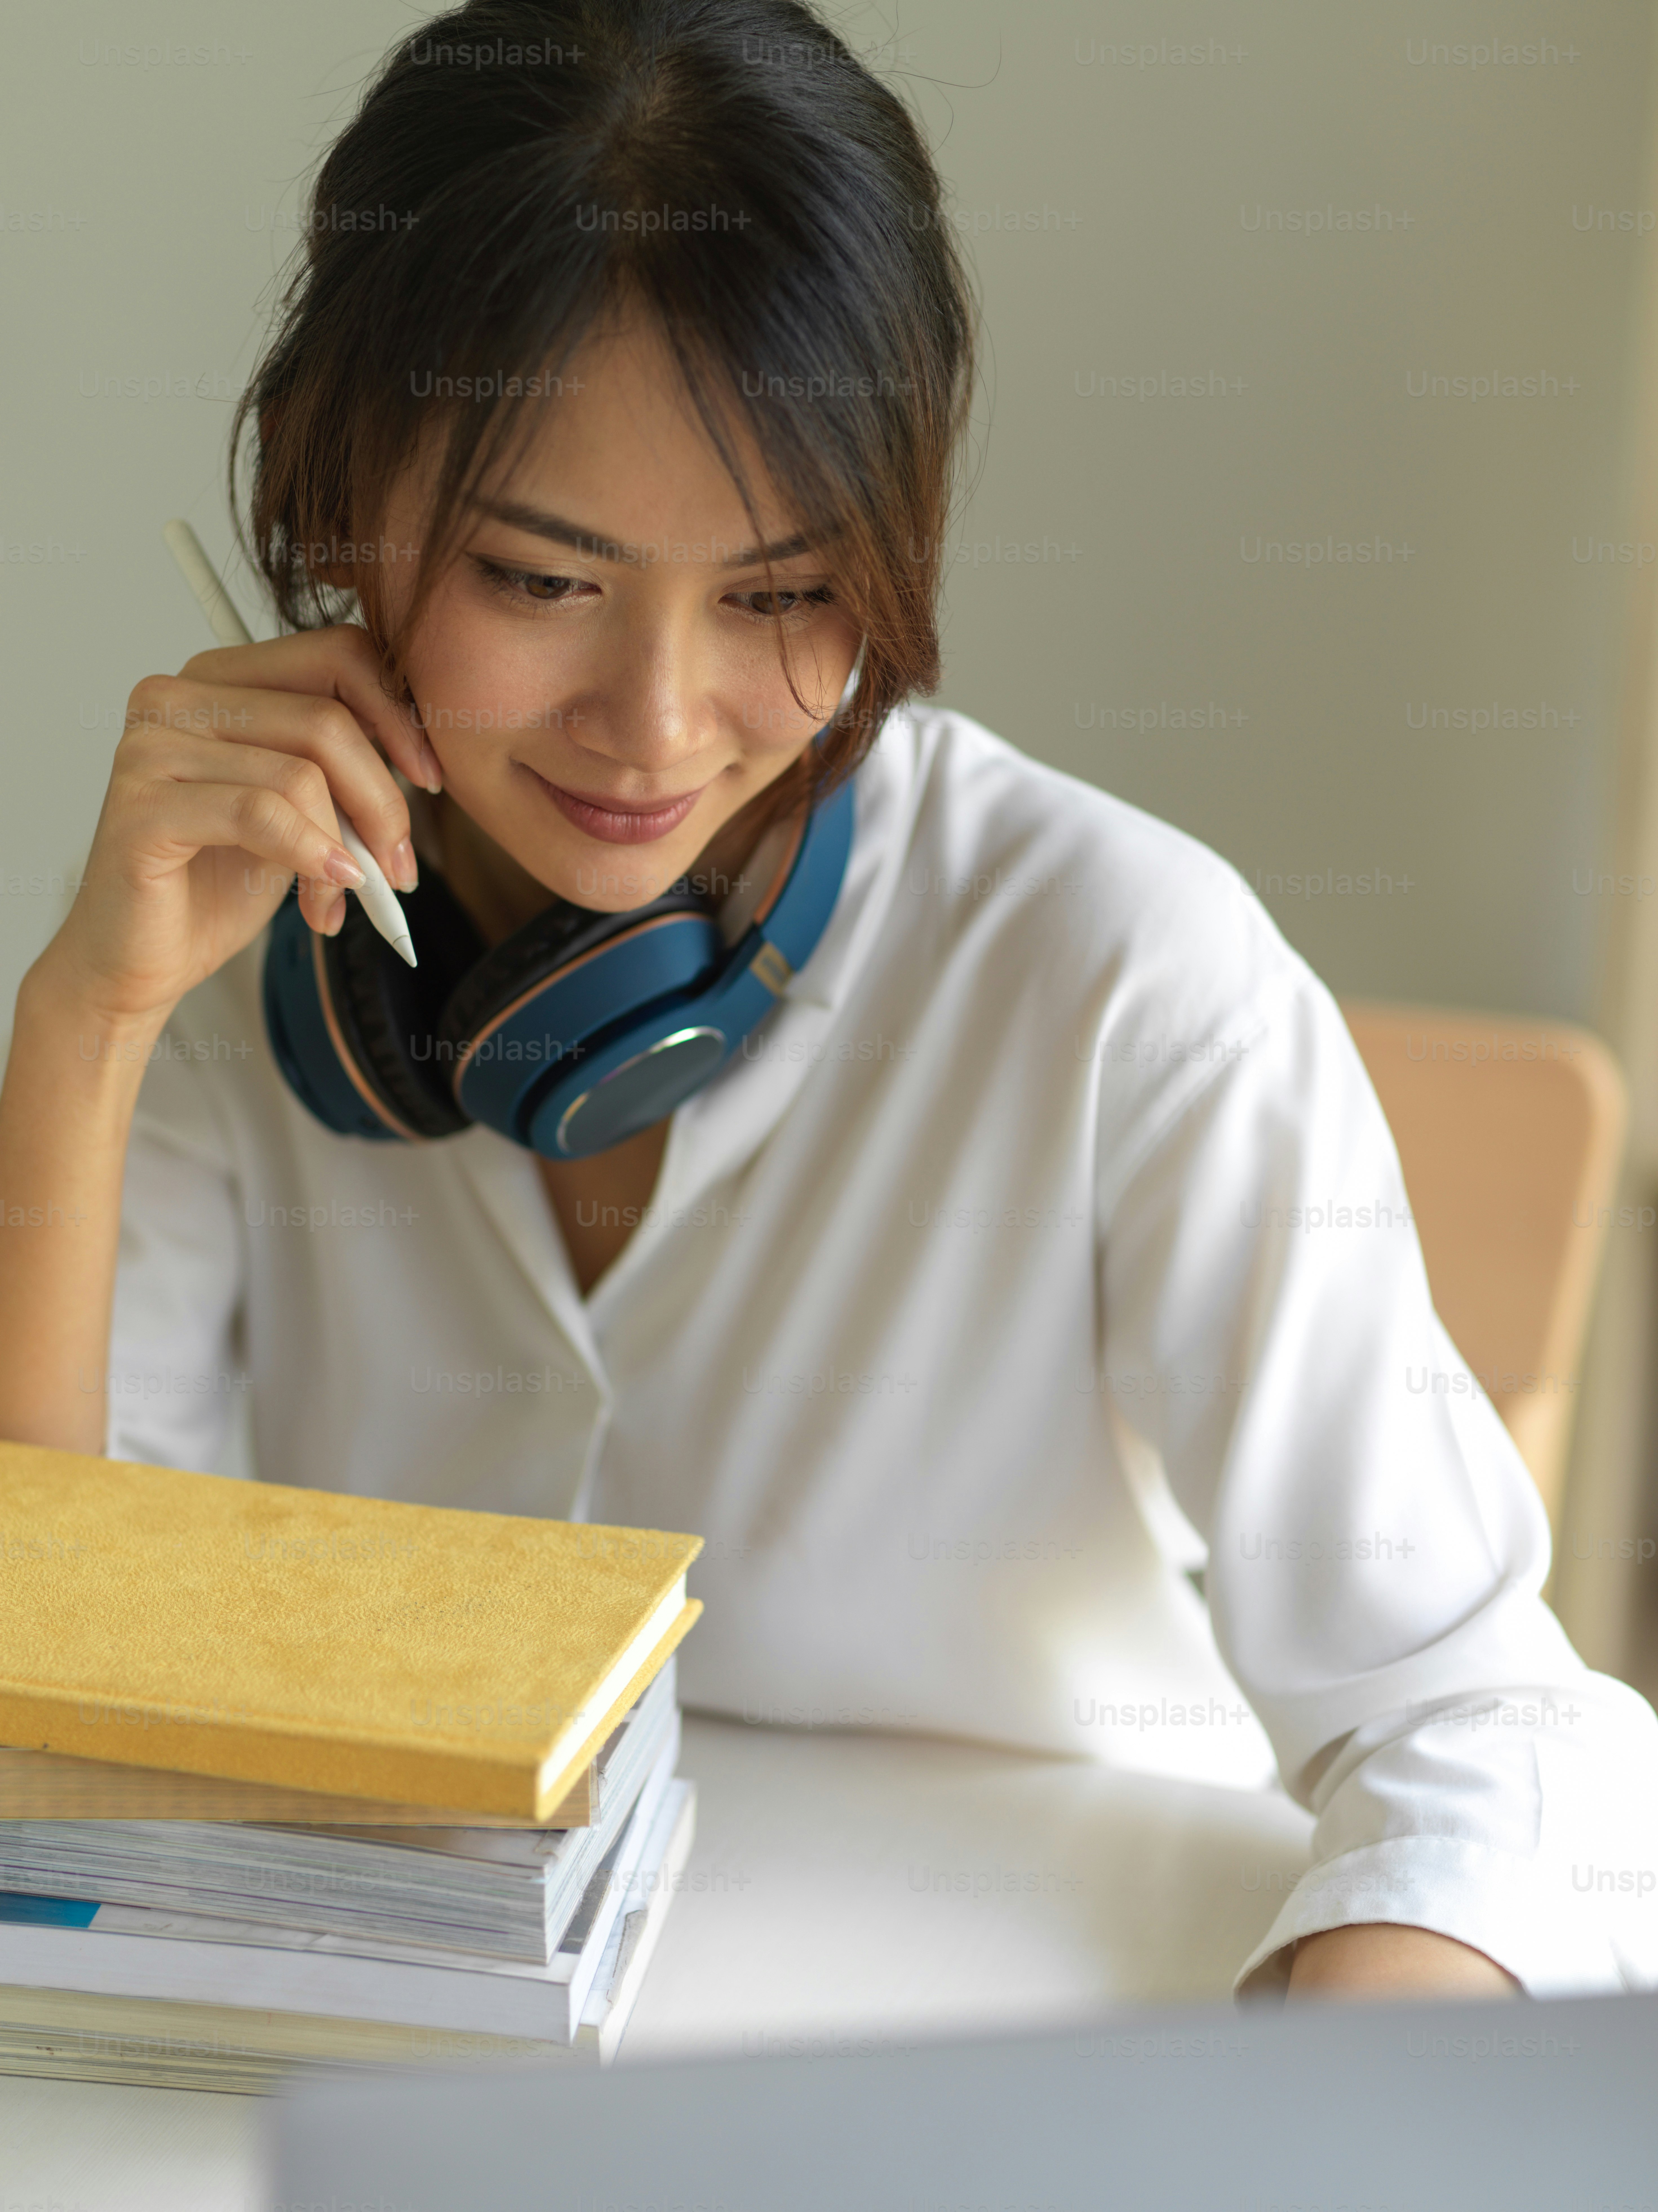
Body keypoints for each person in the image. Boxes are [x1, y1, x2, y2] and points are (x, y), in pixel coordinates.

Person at [1, 0, 1653, 2004]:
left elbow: (1492, 1738)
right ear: (340, 506)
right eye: (541, 580)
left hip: (1016, 2082)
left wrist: (1291, 2138)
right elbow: (65, 1732)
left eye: (783, 594)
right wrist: (78, 1034)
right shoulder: (237, 957)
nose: (660, 722)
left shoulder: (1127, 974)